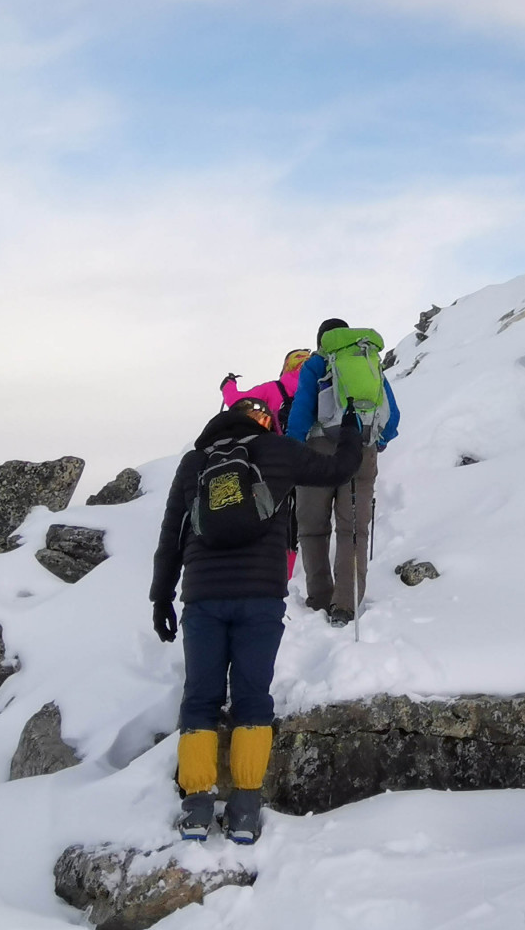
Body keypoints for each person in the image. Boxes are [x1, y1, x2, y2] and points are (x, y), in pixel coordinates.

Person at [151, 397, 358, 845]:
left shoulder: (194, 462)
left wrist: (160, 598)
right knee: (251, 697)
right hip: (261, 594)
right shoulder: (278, 450)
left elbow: (172, 535)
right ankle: (244, 805)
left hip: (203, 595)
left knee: (200, 697)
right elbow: (339, 470)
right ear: (262, 422)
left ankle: (197, 804)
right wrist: (353, 427)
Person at [286, 318, 401, 626]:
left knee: (312, 528)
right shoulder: (368, 359)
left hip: (317, 451)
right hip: (361, 450)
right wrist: (377, 442)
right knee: (354, 530)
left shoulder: (318, 363)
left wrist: (292, 450)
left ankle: (320, 598)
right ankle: (346, 605)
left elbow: (301, 409)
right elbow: (393, 416)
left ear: (322, 339)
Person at [218, 348, 311, 433]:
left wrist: (228, 384)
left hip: (281, 444)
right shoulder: (318, 385)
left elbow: (237, 401)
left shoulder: (273, 388)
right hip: (318, 443)